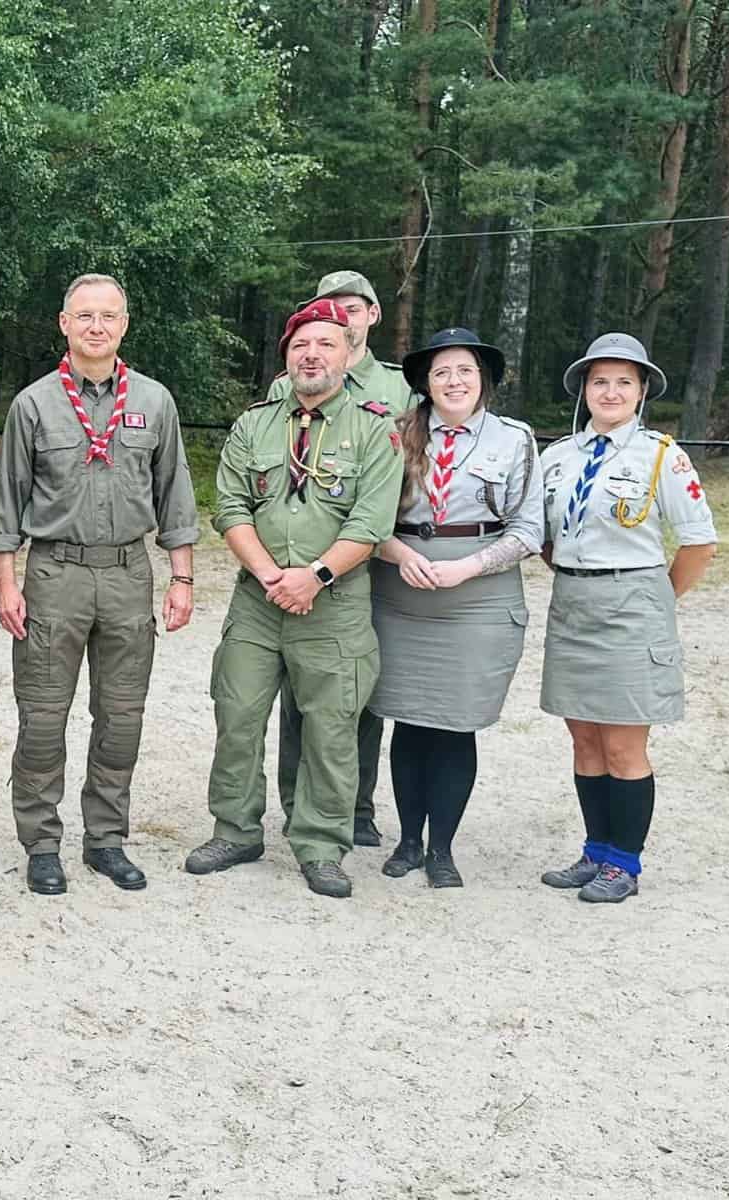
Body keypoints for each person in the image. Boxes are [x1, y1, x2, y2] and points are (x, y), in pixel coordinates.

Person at [0, 274, 199, 895]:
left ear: (124, 325)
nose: (97, 326)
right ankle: (41, 842)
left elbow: (175, 492)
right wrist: (6, 581)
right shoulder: (34, 404)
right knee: (43, 716)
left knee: (122, 717)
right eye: (85, 316)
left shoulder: (155, 401)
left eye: (108, 316)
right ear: (65, 323)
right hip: (56, 573)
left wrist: (182, 577)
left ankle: (106, 838)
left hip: (129, 573)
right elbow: (7, 499)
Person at [186, 299, 402, 898]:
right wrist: (271, 576)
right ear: (286, 356)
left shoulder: (375, 428)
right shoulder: (254, 424)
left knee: (330, 732)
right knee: (237, 717)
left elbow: (371, 522)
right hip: (257, 605)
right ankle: (235, 830)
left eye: (326, 344)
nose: (312, 355)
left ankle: (320, 845)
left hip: (335, 606)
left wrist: (314, 577)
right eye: (300, 345)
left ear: (348, 354)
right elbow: (230, 506)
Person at [537, 332, 716, 903]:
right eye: (599, 381)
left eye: (623, 382)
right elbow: (545, 535)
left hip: (633, 604)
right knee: (584, 740)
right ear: (584, 390)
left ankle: (624, 864)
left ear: (641, 392)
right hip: (572, 603)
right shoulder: (558, 457)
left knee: (622, 745)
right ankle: (595, 851)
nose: (610, 392)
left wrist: (658, 599)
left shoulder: (662, 456)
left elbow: (699, 542)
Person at [365, 328, 543, 887]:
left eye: (465, 370)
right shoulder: (395, 434)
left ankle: (442, 848)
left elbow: (529, 529)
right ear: (426, 383)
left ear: (483, 379)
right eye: (441, 372)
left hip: (478, 596)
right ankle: (408, 842)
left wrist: (469, 567)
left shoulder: (514, 439)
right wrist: (399, 554)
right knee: (409, 720)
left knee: (454, 724)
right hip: (402, 591)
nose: (454, 381)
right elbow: (366, 517)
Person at [269, 270, 414, 849]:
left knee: (357, 690)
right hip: (300, 562)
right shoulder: (290, 381)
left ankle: (355, 806)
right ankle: (295, 802)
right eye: (329, 308)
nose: (342, 317)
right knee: (298, 687)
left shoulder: (400, 388)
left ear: (372, 315)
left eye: (352, 308)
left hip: (374, 558)